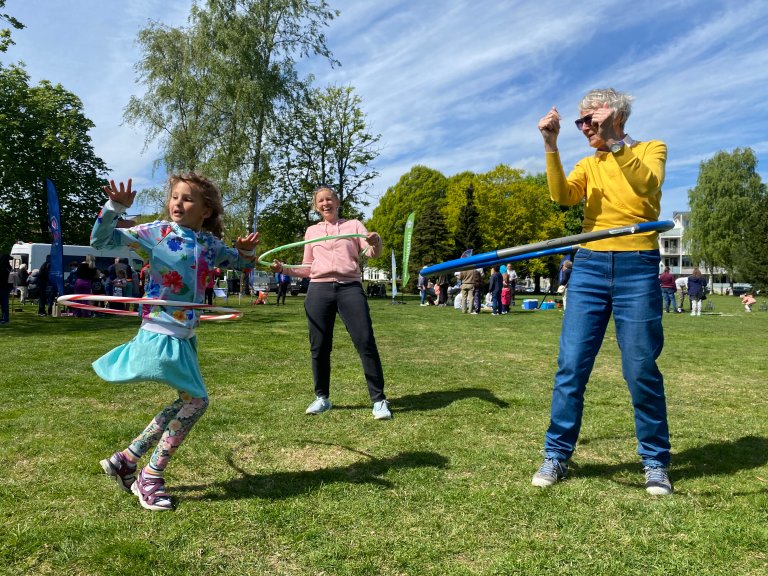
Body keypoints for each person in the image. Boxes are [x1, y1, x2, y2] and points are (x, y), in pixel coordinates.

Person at [534, 88, 673, 495]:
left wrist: (614, 142)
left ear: (617, 118)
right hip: (590, 266)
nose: (584, 129)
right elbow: (562, 198)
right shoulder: (587, 164)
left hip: (637, 266)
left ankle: (655, 460)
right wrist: (550, 144)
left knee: (641, 368)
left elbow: (647, 187)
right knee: (572, 365)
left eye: (589, 121)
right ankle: (557, 453)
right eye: (581, 123)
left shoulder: (650, 149)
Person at [92, 173, 259, 511]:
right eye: (175, 197)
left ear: (206, 210)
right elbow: (102, 241)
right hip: (160, 330)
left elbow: (239, 263)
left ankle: (127, 458)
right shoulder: (158, 233)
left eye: (187, 198)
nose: (177, 204)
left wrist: (245, 252)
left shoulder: (209, 245)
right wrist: (114, 207)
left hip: (184, 335)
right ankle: (150, 477)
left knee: (186, 399)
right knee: (197, 402)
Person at [270, 184, 390, 420]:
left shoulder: (353, 226)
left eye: (329, 199)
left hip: (349, 288)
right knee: (319, 346)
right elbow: (307, 267)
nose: (325, 203)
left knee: (365, 340)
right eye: (320, 201)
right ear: (317, 207)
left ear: (337, 202)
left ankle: (378, 400)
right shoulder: (311, 231)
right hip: (319, 289)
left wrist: (376, 242)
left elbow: (371, 254)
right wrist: (283, 268)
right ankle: (322, 398)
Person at [0, 254, 11, 324]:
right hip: (4, 288)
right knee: (4, 304)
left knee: (4, 304)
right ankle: (5, 318)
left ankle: (5, 318)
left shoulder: (7, 268)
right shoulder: (8, 268)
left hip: (4, 287)